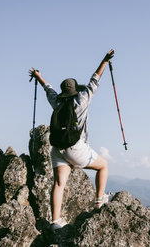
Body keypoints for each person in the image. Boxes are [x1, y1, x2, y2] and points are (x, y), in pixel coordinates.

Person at [29, 49, 114, 230]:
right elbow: (94, 80)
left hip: (57, 148)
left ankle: (55, 222)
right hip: (75, 148)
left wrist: (38, 76)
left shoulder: (57, 101)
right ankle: (100, 201)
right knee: (103, 165)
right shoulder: (82, 99)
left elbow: (48, 88)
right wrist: (105, 60)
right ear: (75, 90)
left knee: (59, 184)